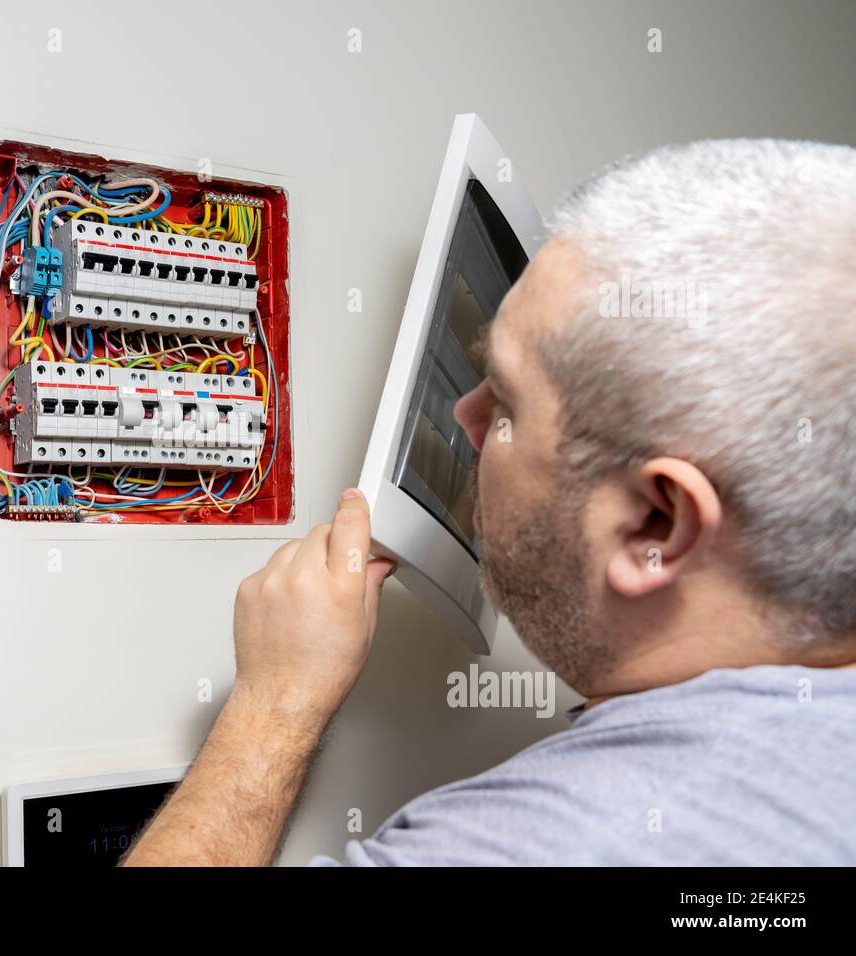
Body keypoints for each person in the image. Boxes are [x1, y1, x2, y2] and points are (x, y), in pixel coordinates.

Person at [121, 138, 856, 866]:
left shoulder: (549, 841)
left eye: (505, 398)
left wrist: (274, 703)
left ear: (654, 523)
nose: (466, 416)